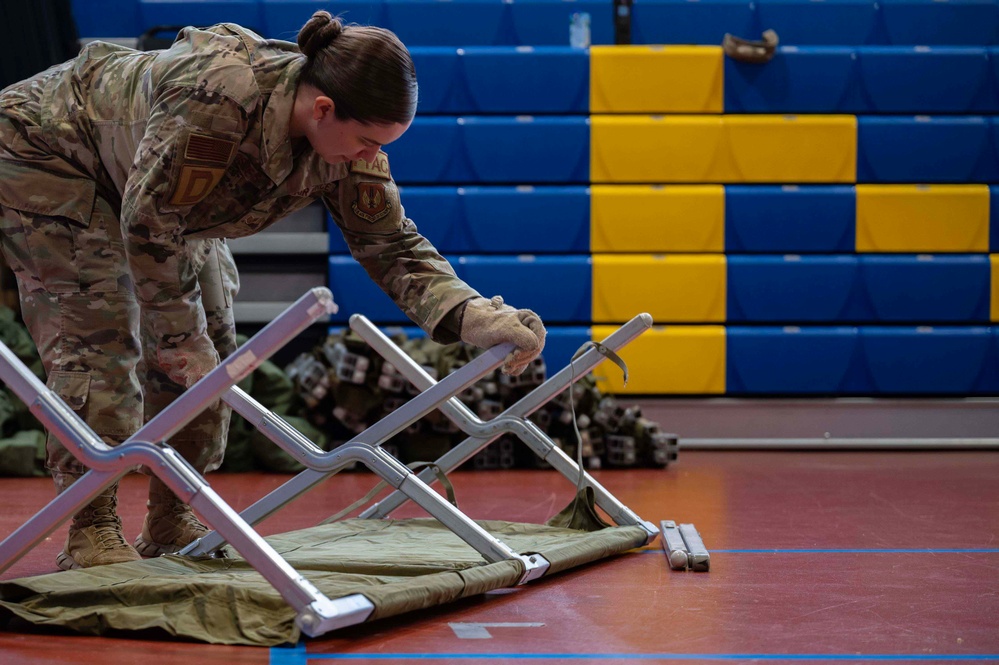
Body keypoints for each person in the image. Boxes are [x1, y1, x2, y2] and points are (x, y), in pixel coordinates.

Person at [0, 11, 546, 570]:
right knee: (103, 339)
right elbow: (149, 220)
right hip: (53, 152)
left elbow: (391, 244)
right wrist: (176, 337)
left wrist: (472, 314)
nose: (369, 157)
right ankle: (91, 528)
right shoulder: (219, 96)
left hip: (156, 191)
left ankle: (170, 514)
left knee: (214, 352)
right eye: (364, 141)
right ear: (324, 109)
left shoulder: (347, 142)